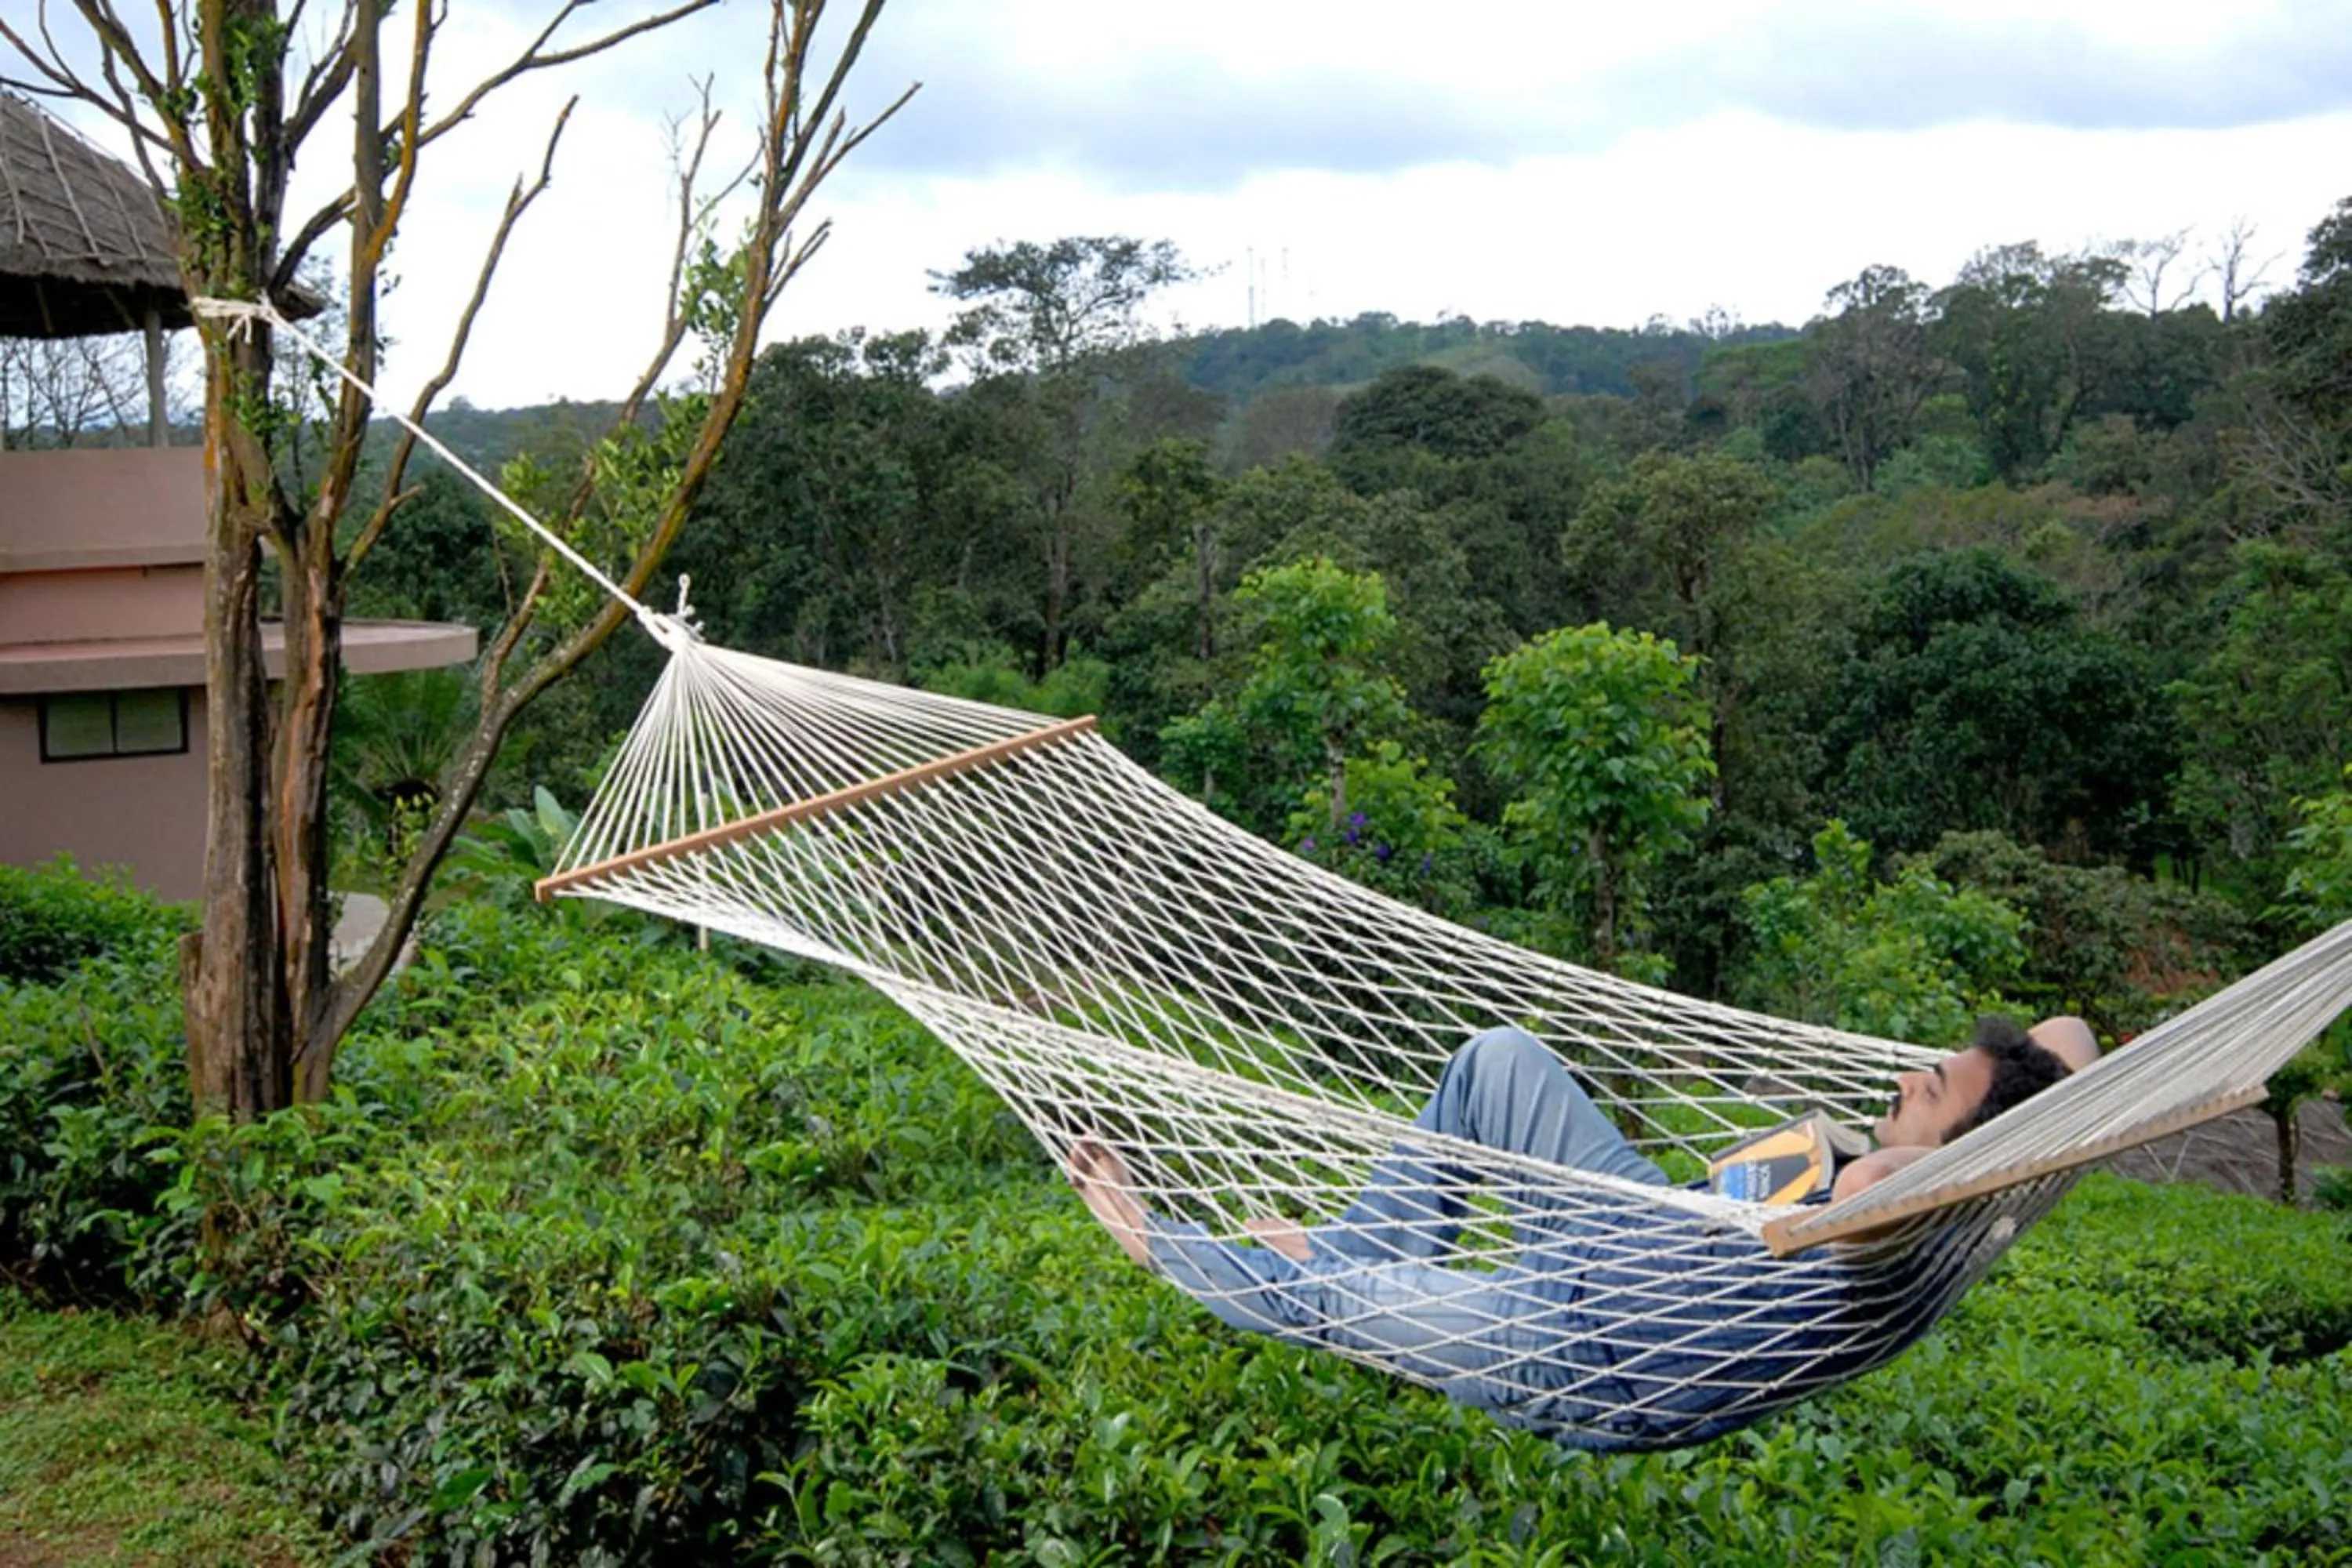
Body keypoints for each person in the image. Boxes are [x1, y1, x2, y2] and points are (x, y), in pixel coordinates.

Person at [1069, 1016, 2091, 1450]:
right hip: (1645, 1226)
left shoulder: (1902, 1223)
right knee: (1496, 1064)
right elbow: (2071, 1044)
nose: (1911, 1077)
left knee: (1328, 1309)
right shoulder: (1949, 1171)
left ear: (1966, 1151)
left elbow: (1875, 1186)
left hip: (1593, 1346)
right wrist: (2043, 1108)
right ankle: (1343, 1243)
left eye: (1937, 1088)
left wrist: (1955, 1166)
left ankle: (1164, 1243)